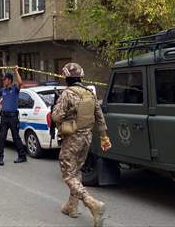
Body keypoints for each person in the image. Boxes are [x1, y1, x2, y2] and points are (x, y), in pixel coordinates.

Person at [52, 63, 112, 227]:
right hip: (87, 138)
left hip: (72, 139)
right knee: (76, 171)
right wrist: (104, 137)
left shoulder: (67, 94)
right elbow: (99, 117)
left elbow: (56, 117)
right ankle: (71, 207)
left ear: (66, 78)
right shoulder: (89, 93)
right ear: (81, 77)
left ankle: (93, 204)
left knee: (68, 174)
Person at [0, 66, 27, 166]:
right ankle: (0, 158)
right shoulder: (2, 90)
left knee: (16, 137)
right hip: (4, 117)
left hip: (13, 117)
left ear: (9, 80)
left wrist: (16, 71)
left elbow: (21, 83)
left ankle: (22, 156)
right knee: (2, 137)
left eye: (4, 79)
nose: (3, 81)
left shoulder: (15, 89)